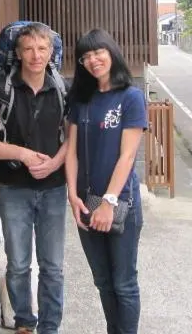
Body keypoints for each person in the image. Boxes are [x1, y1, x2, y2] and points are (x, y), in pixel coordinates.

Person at [0, 22, 68, 334]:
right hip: (15, 190)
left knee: (53, 267)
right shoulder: (1, 91)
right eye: (28, 48)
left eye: (42, 48)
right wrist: (24, 154)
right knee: (18, 265)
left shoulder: (62, 89)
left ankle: (50, 327)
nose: (35, 55)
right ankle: (25, 323)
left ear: (51, 52)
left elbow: (74, 139)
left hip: (54, 189)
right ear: (17, 52)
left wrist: (55, 163)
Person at [65, 28, 148, 334]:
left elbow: (127, 157)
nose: (92, 60)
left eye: (98, 52)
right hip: (86, 204)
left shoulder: (131, 97)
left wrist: (109, 202)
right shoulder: (81, 99)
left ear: (111, 52)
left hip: (120, 202)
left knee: (124, 283)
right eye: (85, 57)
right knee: (102, 281)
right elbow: (71, 152)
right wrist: (72, 195)